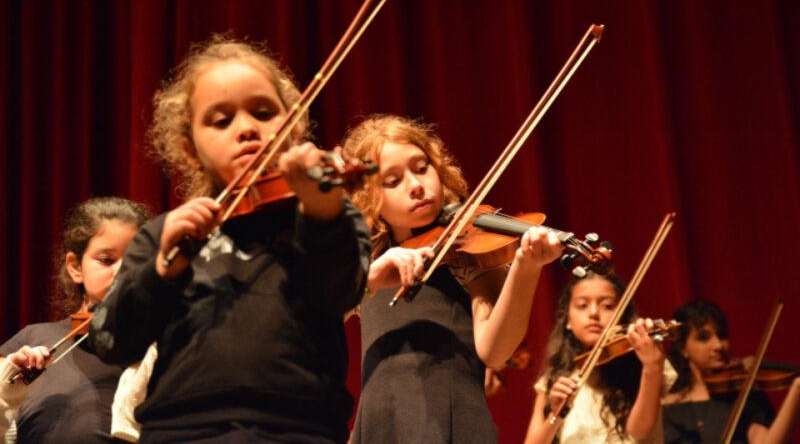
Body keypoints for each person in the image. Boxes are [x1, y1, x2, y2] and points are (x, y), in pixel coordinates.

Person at [86, 36, 371, 443]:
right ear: (189, 149)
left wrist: (322, 214)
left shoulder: (328, 214)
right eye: (221, 121)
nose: (247, 129)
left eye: (263, 112)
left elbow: (338, 292)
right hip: (181, 431)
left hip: (300, 428)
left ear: (292, 125)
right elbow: (110, 339)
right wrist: (162, 270)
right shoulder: (163, 235)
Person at [341, 114, 563, 443]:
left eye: (421, 167)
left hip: (452, 419)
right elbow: (313, 319)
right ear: (369, 198)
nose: (416, 186)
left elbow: (495, 351)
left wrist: (525, 268)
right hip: (380, 424)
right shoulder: (365, 263)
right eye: (393, 181)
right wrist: (370, 279)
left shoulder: (466, 251)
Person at [0, 197, 150, 443]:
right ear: (75, 266)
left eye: (136, 260)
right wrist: (5, 391)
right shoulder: (32, 338)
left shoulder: (156, 348)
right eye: (106, 260)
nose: (123, 271)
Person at [525, 272, 673, 443]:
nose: (594, 313)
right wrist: (557, 413)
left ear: (623, 316)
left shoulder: (645, 363)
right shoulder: (555, 376)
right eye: (582, 305)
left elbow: (639, 432)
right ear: (568, 321)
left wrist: (652, 368)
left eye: (608, 306)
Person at [662, 300, 800, 443]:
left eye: (722, 335)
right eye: (703, 337)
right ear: (683, 348)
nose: (718, 345)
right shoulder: (669, 407)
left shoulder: (744, 395)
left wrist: (796, 388)